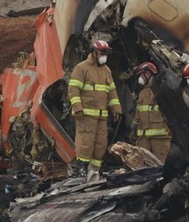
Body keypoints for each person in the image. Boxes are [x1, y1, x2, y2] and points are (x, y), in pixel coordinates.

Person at [68, 40, 121, 181]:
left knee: (101, 144)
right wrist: (77, 107)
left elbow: (111, 92)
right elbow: (73, 90)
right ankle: (80, 169)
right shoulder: (81, 68)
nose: (104, 56)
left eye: (106, 53)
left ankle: (94, 171)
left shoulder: (106, 70)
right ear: (93, 53)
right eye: (102, 53)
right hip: (86, 115)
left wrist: (116, 108)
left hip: (101, 116)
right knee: (86, 142)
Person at [131, 62, 171, 162]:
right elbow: (138, 112)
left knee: (161, 166)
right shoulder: (142, 93)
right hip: (143, 138)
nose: (140, 78)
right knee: (142, 166)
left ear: (148, 74)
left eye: (141, 74)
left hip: (160, 138)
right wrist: (134, 127)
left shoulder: (161, 91)